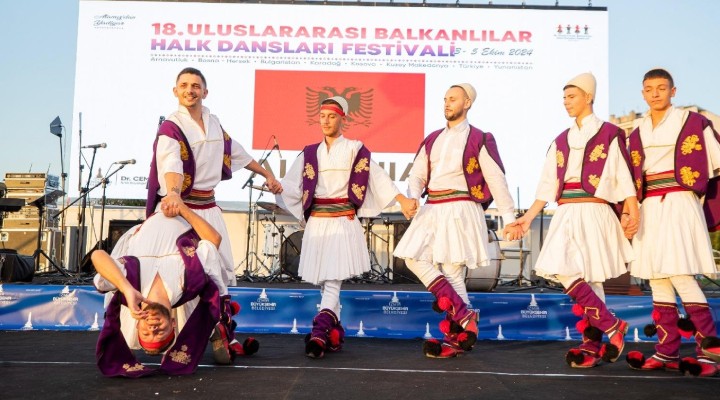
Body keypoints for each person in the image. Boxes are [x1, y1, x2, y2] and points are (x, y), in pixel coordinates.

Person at [509, 73, 637, 368]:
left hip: (595, 208)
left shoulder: (610, 133)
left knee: (592, 278)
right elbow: (545, 184)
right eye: (564, 97)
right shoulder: (560, 140)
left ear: (589, 97)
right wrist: (527, 218)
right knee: (563, 269)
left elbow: (623, 176)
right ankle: (612, 325)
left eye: (572, 96)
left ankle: (592, 345)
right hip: (566, 209)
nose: (566, 102)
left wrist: (633, 210)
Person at [276, 96, 418, 359]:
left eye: (331, 116)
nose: (326, 121)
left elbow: (378, 178)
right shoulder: (309, 152)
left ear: (343, 118)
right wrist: (277, 187)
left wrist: (401, 200)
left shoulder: (355, 148)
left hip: (343, 220)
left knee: (332, 280)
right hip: (318, 222)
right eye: (322, 116)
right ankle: (334, 333)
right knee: (325, 282)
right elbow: (291, 185)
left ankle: (318, 334)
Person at [393, 83, 520, 359]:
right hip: (433, 205)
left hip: (461, 205)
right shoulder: (432, 139)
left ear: (467, 103)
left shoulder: (479, 138)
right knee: (413, 257)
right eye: (445, 99)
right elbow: (417, 175)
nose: (447, 103)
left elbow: (496, 179)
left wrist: (509, 217)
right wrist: (413, 195)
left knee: (452, 270)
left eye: (453, 99)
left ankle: (455, 337)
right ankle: (464, 316)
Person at [146, 67, 282, 287]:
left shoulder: (214, 123)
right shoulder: (171, 128)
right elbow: (171, 164)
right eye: (184, 86)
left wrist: (266, 174)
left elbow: (236, 152)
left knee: (216, 276)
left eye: (195, 86)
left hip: (209, 210)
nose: (189, 90)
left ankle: (215, 322)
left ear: (205, 92)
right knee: (179, 274)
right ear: (175, 91)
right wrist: (173, 193)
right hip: (181, 211)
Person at [92, 197, 257, 377]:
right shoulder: (188, 280)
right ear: (172, 324)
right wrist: (182, 208)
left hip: (157, 211)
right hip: (184, 211)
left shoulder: (130, 287)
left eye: (146, 333)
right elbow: (214, 241)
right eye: (160, 331)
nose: (153, 328)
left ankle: (215, 332)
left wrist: (126, 288)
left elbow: (98, 255)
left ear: (138, 325)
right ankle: (217, 330)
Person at [624, 68, 720, 377]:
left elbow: (716, 163)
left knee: (679, 273)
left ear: (673, 91)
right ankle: (667, 351)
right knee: (657, 277)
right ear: (642, 93)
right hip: (648, 204)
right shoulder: (636, 131)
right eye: (649, 88)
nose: (655, 93)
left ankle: (711, 350)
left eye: (661, 88)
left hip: (679, 201)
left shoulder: (692, 122)